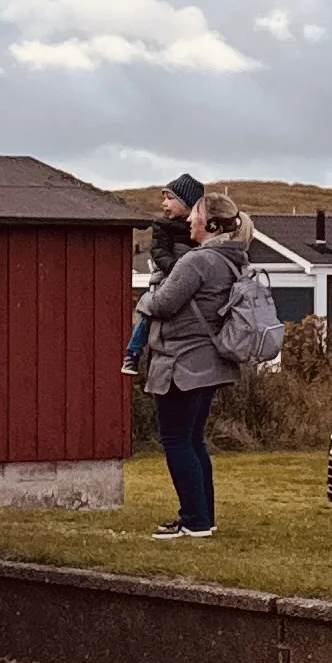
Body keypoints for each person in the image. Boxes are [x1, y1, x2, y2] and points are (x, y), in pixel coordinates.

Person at [133, 189, 249, 540]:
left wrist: (146, 297)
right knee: (194, 440)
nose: (188, 220)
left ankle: (194, 521)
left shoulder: (197, 261)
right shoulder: (231, 259)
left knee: (176, 440)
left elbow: (164, 304)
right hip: (210, 361)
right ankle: (204, 518)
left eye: (195, 215)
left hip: (182, 363)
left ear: (210, 224)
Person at [124, 172, 204, 375]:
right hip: (164, 279)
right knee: (147, 313)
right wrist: (176, 269)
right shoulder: (162, 226)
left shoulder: (198, 228)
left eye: (170, 198)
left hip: (190, 282)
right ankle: (133, 352)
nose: (164, 203)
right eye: (164, 198)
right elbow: (159, 252)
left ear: (188, 203)